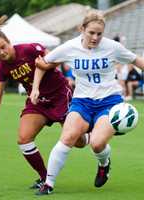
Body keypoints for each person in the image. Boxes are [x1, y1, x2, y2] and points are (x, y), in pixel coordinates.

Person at [30, 11, 144, 195]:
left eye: (99, 33)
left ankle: (104, 164)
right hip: (82, 101)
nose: (95, 37)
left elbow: (137, 60)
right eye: (91, 32)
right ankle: (48, 184)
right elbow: (42, 64)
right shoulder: (69, 47)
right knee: (68, 138)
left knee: (97, 144)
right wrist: (35, 88)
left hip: (109, 101)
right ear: (81, 29)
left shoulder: (112, 47)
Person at [0, 15, 88, 189]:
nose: (2, 52)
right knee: (23, 139)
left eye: (3, 47)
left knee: (79, 142)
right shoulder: (1, 68)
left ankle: (91, 136)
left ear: (9, 42)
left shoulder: (29, 49)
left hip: (60, 96)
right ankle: (45, 178)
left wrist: (44, 67)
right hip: (37, 102)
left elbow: (55, 60)